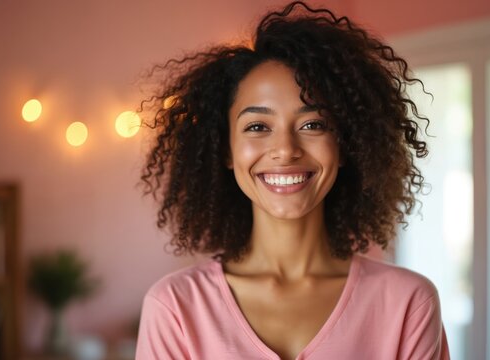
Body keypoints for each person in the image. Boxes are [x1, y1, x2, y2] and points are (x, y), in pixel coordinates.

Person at [136, 1, 450, 359]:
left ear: (345, 145)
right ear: (225, 150)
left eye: (313, 125)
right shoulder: (175, 308)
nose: (285, 150)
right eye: (257, 127)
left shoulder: (409, 303)